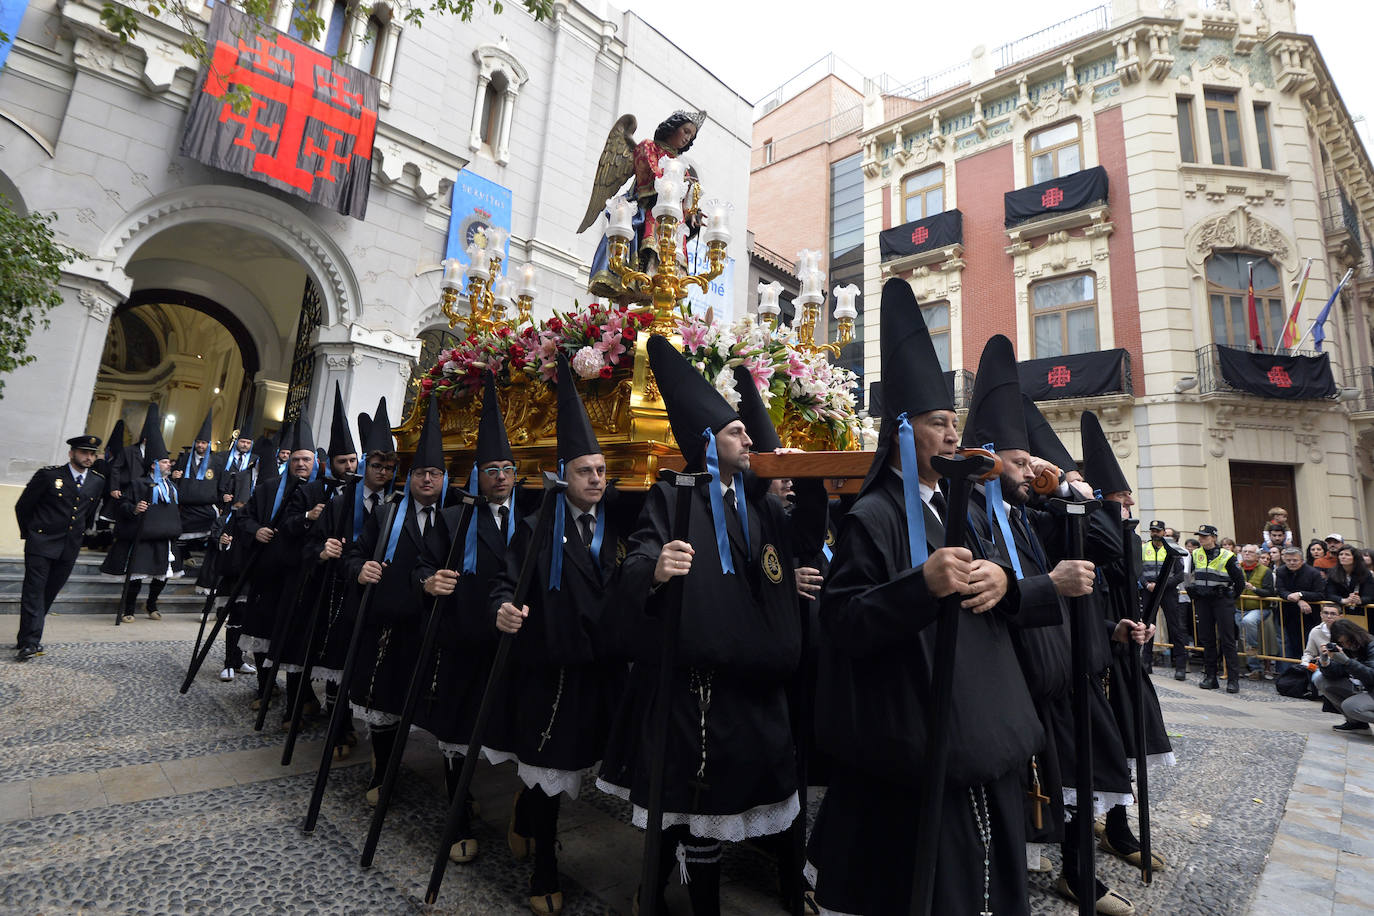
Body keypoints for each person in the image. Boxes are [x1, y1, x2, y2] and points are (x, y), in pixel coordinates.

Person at [807, 289, 1038, 916]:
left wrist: (999, 582)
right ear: (905, 431)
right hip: (906, 731)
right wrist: (920, 587)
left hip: (977, 724)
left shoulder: (960, 508)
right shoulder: (871, 515)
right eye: (941, 423)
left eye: (954, 422)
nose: (953, 434)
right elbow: (843, 620)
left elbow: (998, 591)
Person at [598, 334, 823, 915]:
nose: (747, 436)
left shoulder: (760, 502)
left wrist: (791, 569)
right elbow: (639, 557)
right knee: (697, 811)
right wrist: (655, 570)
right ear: (707, 442)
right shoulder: (673, 495)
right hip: (696, 688)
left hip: (754, 683)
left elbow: (788, 550)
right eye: (734, 432)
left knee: (742, 801)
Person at [474, 354, 633, 916]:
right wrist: (502, 611)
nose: (597, 480)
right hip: (551, 668)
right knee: (549, 773)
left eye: (602, 471)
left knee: (590, 767)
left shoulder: (621, 523)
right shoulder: (536, 525)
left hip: (603, 668)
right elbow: (502, 582)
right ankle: (544, 864)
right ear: (564, 475)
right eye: (587, 471)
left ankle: (528, 813)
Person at [415, 374, 527, 865]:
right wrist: (428, 581)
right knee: (458, 729)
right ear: (476, 474)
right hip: (463, 638)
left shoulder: (533, 519)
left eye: (507, 468)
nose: (500, 477)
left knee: (513, 726)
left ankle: (526, 818)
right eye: (490, 469)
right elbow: (422, 562)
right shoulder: (454, 519)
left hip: (513, 643)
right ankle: (457, 809)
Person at [347, 397, 446, 811]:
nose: (427, 480)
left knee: (435, 707)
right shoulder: (388, 514)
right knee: (385, 699)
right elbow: (357, 552)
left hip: (436, 628)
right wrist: (359, 569)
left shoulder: (456, 517)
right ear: (411, 476)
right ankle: (383, 770)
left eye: (435, 473)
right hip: (391, 623)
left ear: (445, 478)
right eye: (421, 472)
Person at [585, 110, 706, 300]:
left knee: (668, 257)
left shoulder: (681, 164)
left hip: (672, 221)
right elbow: (649, 175)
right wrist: (674, 184)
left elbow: (684, 202)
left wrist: (692, 213)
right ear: (672, 127)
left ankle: (662, 285)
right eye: (685, 131)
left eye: (691, 136)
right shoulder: (649, 147)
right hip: (648, 208)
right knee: (647, 247)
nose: (687, 139)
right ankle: (638, 278)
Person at [14, 434, 105, 660]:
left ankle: (26, 635)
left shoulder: (97, 481)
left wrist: (81, 538)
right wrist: (31, 534)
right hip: (41, 543)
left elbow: (87, 514)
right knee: (34, 591)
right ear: (71, 453)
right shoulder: (49, 475)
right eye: (84, 452)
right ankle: (31, 642)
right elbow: (23, 507)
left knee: (48, 593)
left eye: (92, 454)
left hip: (69, 547)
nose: (88, 457)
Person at [100, 413, 183, 622]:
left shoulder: (172, 487)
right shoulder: (138, 484)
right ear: (154, 465)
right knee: (136, 575)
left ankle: (151, 604)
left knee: (164, 575)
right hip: (142, 536)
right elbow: (123, 507)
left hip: (165, 538)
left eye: (168, 462)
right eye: (165, 462)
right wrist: (135, 509)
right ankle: (129, 608)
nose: (169, 465)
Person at [1184, 524, 1246, 692]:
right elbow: (1189, 577)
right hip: (1203, 601)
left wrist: (1230, 597)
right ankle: (1210, 677)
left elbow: (1239, 581)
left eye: (1204, 536)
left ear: (1213, 537)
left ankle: (1233, 680)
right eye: (1200, 536)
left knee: (1227, 640)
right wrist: (1194, 594)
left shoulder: (1228, 555)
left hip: (1221, 600)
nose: (1201, 539)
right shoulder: (1196, 554)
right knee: (1207, 639)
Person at [172, 409, 222, 570]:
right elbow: (175, 480)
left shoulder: (216, 462)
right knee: (178, 534)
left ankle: (205, 565)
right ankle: (182, 558)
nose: (201, 445)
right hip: (184, 506)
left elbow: (221, 483)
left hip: (205, 508)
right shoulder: (184, 459)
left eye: (204, 442)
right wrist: (174, 476)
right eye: (198, 442)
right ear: (195, 443)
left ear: (209, 445)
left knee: (212, 531)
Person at [1142, 519, 1188, 680]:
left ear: (1163, 532)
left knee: (1175, 627)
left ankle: (1180, 666)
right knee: (1147, 626)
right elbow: (1137, 570)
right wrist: (1146, 584)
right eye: (1152, 530)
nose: (1155, 533)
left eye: (1158, 530)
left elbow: (1179, 575)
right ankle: (1146, 663)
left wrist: (1161, 585)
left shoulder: (1172, 550)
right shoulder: (1143, 548)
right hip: (1148, 592)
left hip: (1167, 592)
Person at [1313, 619, 1374, 732]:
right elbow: (1335, 673)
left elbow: (1372, 676)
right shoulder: (1345, 649)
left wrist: (1347, 662)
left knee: (1350, 706)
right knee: (1321, 680)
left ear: (1355, 635)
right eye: (1342, 643)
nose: (1346, 645)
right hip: (1365, 689)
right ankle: (1357, 724)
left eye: (1348, 641)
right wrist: (1325, 662)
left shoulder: (1371, 644)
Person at [1274, 547, 1327, 669]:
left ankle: (1310, 671)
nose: (1292, 563)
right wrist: (1296, 599)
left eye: (1295, 560)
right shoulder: (1281, 571)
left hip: (1309, 616)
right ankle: (1291, 673)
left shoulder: (1313, 573)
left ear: (1302, 560)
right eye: (1288, 560)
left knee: (1309, 645)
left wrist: (1301, 595)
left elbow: (1320, 594)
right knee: (1290, 645)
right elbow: (1280, 590)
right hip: (1287, 614)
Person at [1235, 544, 1277, 679]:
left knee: (1248, 622)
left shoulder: (1266, 571)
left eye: (1251, 552)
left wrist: (1254, 589)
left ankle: (1253, 649)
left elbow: (1269, 592)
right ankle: (1254, 669)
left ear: (1257, 556)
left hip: (1259, 609)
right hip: (1238, 608)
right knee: (1243, 636)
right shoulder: (1236, 568)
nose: (1247, 554)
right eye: (1244, 551)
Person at [1325, 545, 1374, 611]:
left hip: (1363, 610)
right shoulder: (1332, 572)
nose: (1343, 557)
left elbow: (1370, 595)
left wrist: (1360, 600)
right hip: (1341, 610)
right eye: (1341, 554)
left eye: (1347, 555)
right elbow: (1329, 594)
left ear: (1355, 558)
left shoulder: (1365, 573)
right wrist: (1343, 600)